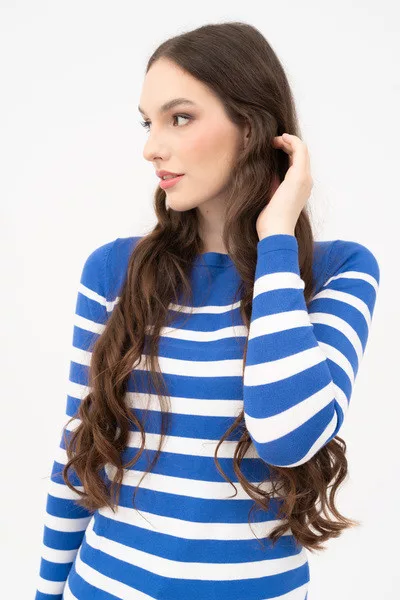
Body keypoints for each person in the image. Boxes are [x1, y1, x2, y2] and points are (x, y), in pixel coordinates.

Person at [34, 21, 380, 600]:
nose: (151, 147)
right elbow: (78, 456)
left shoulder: (338, 271)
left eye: (179, 117)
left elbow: (288, 436)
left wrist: (276, 240)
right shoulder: (113, 270)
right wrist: (46, 593)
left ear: (252, 128)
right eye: (148, 123)